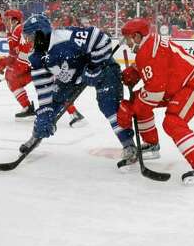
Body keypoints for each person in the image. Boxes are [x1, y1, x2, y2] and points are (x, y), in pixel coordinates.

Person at [117, 18, 194, 182]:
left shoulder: (149, 52)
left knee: (172, 121)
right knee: (140, 104)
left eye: (128, 39)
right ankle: (151, 145)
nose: (126, 43)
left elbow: (154, 92)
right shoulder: (148, 45)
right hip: (175, 84)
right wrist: (135, 71)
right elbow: (155, 69)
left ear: (137, 37)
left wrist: (132, 109)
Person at [19, 13, 129, 157]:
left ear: (40, 34)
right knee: (49, 108)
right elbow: (43, 87)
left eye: (31, 38)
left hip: (103, 67)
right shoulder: (36, 57)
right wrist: (45, 111)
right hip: (72, 76)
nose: (29, 42)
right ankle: (36, 137)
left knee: (108, 105)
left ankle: (129, 145)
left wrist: (94, 68)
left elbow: (101, 39)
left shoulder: (67, 37)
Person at [0, 8, 84, 125]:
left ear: (15, 20)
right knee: (13, 80)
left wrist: (12, 67)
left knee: (51, 89)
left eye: (8, 19)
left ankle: (75, 113)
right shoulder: (13, 32)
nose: (5, 22)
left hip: (40, 64)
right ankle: (29, 109)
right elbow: (14, 54)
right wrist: (6, 62)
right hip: (34, 65)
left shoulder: (20, 31)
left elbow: (26, 53)